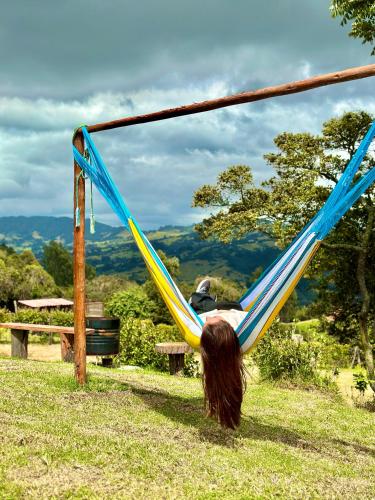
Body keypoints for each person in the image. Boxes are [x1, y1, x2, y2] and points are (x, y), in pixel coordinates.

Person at [189, 279, 248, 429]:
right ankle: (204, 299)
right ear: (225, 326)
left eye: (207, 322)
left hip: (210, 310)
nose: (208, 319)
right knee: (232, 305)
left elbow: (209, 320)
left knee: (202, 304)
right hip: (233, 309)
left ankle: (200, 297)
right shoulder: (242, 324)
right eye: (212, 320)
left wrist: (208, 318)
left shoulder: (204, 323)